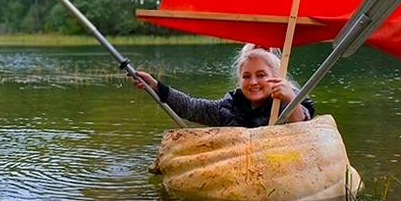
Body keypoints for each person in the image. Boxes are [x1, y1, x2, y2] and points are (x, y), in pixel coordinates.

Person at [133, 44, 314, 127]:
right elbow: (191, 107)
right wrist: (155, 86)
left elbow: (302, 129)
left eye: (261, 75)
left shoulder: (288, 100)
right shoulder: (228, 107)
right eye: (246, 76)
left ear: (276, 77)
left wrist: (291, 100)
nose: (253, 82)